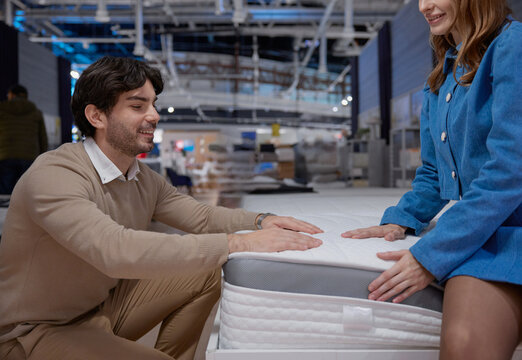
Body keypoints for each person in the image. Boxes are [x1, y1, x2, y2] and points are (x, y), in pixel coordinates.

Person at [0, 56, 323, 360]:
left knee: (206, 270)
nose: (154, 116)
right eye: (138, 106)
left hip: (98, 308)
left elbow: (200, 216)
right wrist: (237, 242)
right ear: (96, 116)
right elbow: (114, 250)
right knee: (214, 252)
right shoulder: (55, 174)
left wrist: (262, 221)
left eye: (153, 104)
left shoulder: (141, 177)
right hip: (34, 330)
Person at [342, 0, 521, 359]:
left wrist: (433, 254)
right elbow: (433, 172)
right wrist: (402, 218)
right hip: (487, 231)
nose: (425, 6)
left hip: (509, 231)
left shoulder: (512, 46)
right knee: (463, 346)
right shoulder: (440, 79)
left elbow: (511, 169)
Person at [0, 84, 48, 195]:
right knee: (27, 192)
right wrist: (42, 158)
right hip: (30, 156)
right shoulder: (36, 112)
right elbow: (42, 138)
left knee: (4, 195)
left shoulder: (1, 109)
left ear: (11, 95)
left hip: (5, 156)